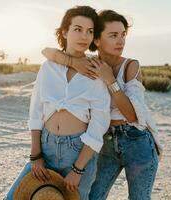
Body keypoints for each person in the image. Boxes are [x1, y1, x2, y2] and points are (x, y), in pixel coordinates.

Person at [42, 9, 163, 200]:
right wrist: (72, 61)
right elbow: (47, 52)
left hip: (137, 141)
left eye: (123, 35)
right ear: (97, 40)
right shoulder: (88, 64)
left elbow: (131, 116)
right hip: (105, 143)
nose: (121, 41)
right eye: (113, 35)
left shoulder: (131, 66)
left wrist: (110, 80)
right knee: (94, 196)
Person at [3, 6, 110, 200]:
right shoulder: (48, 67)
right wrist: (35, 155)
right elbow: (36, 111)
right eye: (77, 29)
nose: (84, 36)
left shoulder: (97, 70)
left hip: (78, 152)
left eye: (90, 31)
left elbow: (99, 124)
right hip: (46, 146)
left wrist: (78, 169)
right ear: (64, 32)